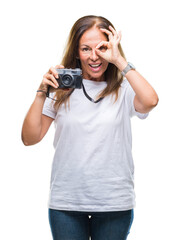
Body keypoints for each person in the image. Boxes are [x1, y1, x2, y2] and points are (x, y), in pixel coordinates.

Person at [21, 15, 159, 240]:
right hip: (67, 202)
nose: (94, 57)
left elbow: (151, 101)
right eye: (86, 49)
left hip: (114, 202)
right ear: (76, 51)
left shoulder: (124, 87)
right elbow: (29, 138)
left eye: (102, 48)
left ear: (112, 48)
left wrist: (119, 61)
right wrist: (41, 93)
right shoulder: (61, 86)